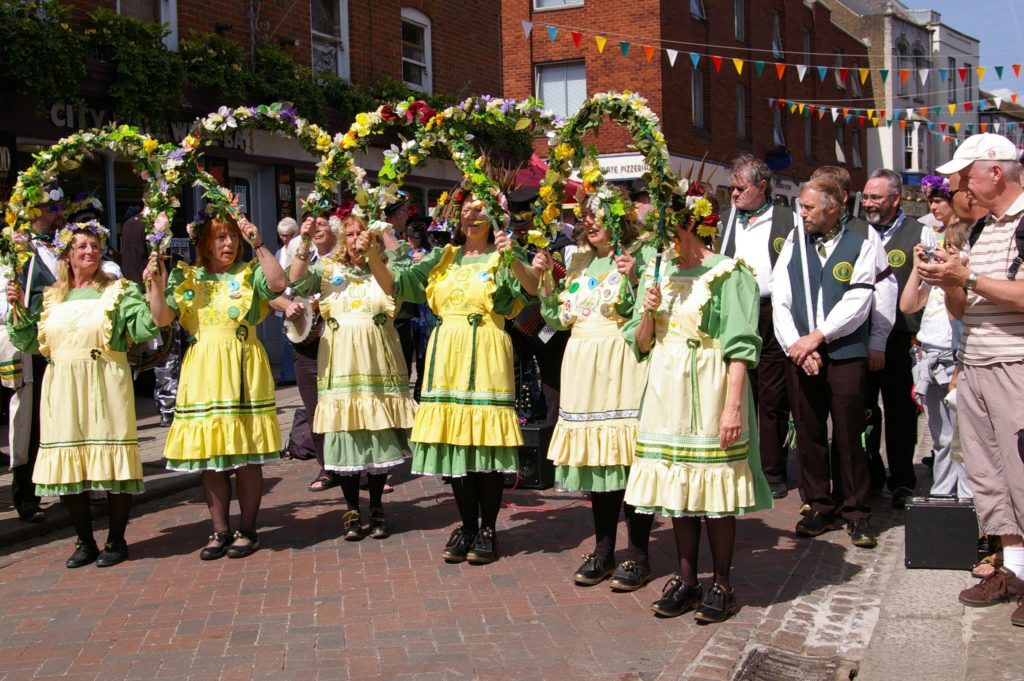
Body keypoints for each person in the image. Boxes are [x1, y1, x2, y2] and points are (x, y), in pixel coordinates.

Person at [362, 186, 539, 565]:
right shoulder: (446, 256)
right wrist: (371, 254)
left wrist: (513, 258)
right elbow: (397, 284)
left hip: (485, 350)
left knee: (484, 444)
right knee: (457, 443)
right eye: (466, 209)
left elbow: (532, 289)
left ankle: (488, 528)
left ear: (495, 216)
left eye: (480, 209)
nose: (471, 216)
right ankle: (468, 525)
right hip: (446, 355)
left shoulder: (504, 253)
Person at [623, 181, 770, 623]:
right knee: (678, 489)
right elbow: (642, 343)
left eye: (664, 227)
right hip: (666, 389)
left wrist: (732, 408)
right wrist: (646, 310)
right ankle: (687, 579)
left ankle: (721, 582)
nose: (655, 237)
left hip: (710, 386)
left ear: (688, 222)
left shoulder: (729, 272)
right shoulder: (657, 271)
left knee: (715, 491)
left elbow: (741, 346)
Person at [6, 220, 158, 567]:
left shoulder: (120, 290)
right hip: (62, 387)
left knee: (115, 466)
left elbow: (143, 326)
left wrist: (153, 289)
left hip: (105, 382)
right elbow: (32, 341)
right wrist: (17, 309)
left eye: (94, 245)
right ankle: (84, 541)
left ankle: (116, 540)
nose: (89, 251)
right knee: (69, 467)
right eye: (81, 246)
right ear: (68, 255)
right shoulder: (51, 296)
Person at [920, 133, 1024, 625]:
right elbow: (964, 308)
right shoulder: (981, 230)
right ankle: (1014, 571)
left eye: (966, 174)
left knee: (1022, 474)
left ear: (995, 173)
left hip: (1015, 365)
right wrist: (948, 281)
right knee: (989, 476)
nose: (958, 183)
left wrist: (969, 281)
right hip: (978, 362)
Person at [532, 185, 654, 588]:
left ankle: (637, 552)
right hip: (582, 366)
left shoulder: (642, 255)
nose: (590, 220)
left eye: (599, 213)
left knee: (627, 460)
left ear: (619, 218)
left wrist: (633, 276)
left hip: (620, 364)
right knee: (599, 464)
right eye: (587, 213)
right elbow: (557, 319)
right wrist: (544, 281)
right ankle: (603, 550)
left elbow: (648, 314)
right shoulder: (580, 260)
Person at [146, 211, 287, 559]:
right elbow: (162, 318)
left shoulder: (249, 271)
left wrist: (257, 241)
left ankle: (248, 528)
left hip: (241, 366)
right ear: (204, 243)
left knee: (246, 456)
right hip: (203, 368)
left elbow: (279, 283)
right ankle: (219, 529)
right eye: (220, 238)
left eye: (232, 237)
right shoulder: (187, 276)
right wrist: (154, 285)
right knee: (211, 457)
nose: (229, 244)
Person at [289, 212, 416, 540]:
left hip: (377, 362)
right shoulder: (329, 269)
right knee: (345, 435)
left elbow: (403, 263)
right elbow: (296, 279)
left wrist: (383, 231)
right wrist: (303, 240)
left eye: (362, 233)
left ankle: (375, 505)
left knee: (376, 436)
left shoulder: (383, 266)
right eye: (350, 234)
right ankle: (350, 506)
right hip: (342, 362)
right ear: (340, 238)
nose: (356, 239)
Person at [773, 177, 885, 549]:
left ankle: (856, 511)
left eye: (808, 207)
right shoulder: (795, 240)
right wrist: (796, 346)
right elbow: (781, 299)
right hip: (801, 354)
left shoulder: (863, 240)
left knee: (850, 432)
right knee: (808, 430)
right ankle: (819, 503)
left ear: (833, 207)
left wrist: (818, 337)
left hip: (844, 352)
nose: (800, 212)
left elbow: (859, 300)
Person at [719, 155, 795, 499]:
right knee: (737, 390)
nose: (734, 194)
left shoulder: (787, 220)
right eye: (732, 188)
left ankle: (772, 471)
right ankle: (741, 462)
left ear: (762, 187)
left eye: (740, 188)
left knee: (772, 396)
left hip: (771, 311)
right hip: (737, 311)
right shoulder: (726, 221)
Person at [861, 169, 934, 507]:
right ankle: (871, 473)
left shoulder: (920, 234)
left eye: (875, 197)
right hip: (861, 335)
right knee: (864, 410)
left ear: (895, 198)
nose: (867, 203)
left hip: (902, 337)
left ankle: (902, 479)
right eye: (865, 196)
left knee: (900, 412)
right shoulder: (857, 232)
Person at [899, 174, 971, 499]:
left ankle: (971, 506)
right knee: (941, 438)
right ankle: (943, 498)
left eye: (940, 199)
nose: (934, 206)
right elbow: (908, 304)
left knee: (965, 441)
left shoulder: (966, 256)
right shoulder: (936, 254)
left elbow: (962, 315)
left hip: (957, 356)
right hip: (931, 354)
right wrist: (918, 267)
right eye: (931, 201)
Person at [269, 210, 341, 492]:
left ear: (335, 229)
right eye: (312, 226)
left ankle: (359, 468)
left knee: (344, 405)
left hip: (339, 344)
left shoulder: (345, 259)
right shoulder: (296, 256)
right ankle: (327, 467)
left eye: (322, 224)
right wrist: (288, 306)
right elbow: (272, 293)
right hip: (307, 344)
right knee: (316, 410)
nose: (316, 229)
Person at [120, 209, 182, 427]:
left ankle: (126, 410)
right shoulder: (152, 228)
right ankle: (168, 408)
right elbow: (159, 266)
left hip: (132, 295)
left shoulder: (129, 224)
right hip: (150, 295)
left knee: (131, 358)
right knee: (165, 355)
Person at [274, 216, 300, 385]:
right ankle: (288, 374)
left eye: (288, 234)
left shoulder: (301, 248)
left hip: (298, 298)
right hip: (283, 301)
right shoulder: (279, 252)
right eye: (282, 235)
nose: (285, 238)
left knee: (296, 339)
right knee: (286, 338)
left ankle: (293, 374)